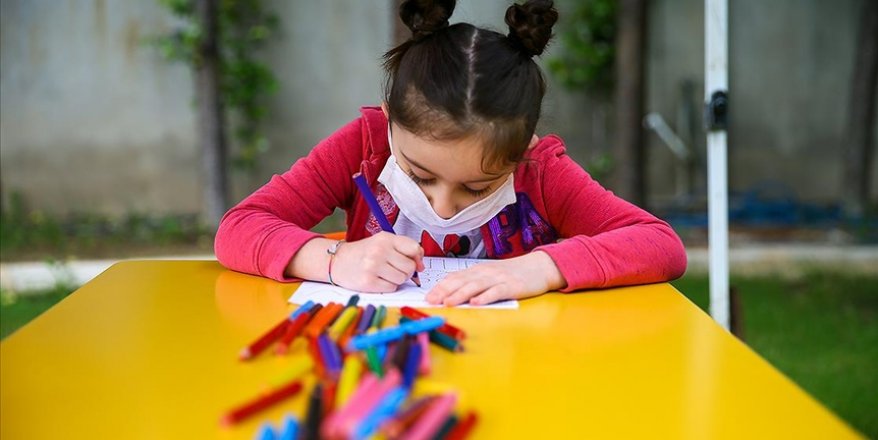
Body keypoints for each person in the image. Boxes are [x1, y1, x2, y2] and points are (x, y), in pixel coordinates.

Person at [215, 0, 687, 307]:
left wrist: (541, 268)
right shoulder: (365, 145)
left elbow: (659, 244)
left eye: (477, 187)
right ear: (389, 120)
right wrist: (333, 259)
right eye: (420, 176)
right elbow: (240, 227)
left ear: (523, 151)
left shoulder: (540, 172)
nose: (441, 207)